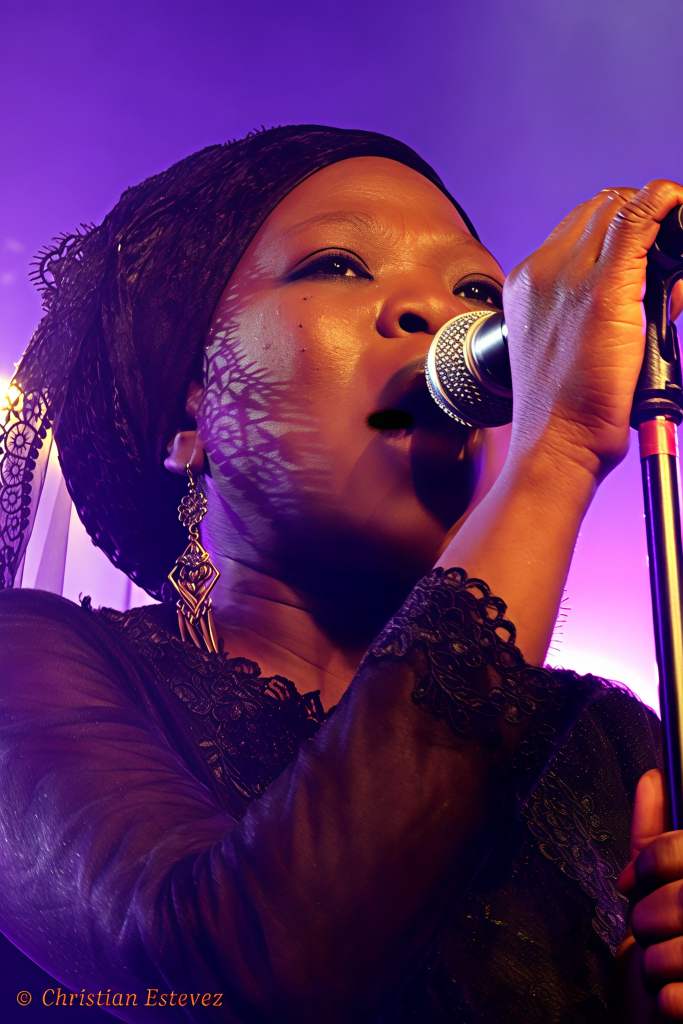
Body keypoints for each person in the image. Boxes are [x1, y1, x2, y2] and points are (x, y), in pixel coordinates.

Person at [0, 123, 682, 1023]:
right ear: (188, 417)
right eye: (337, 265)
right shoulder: (33, 663)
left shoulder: (604, 741)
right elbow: (224, 973)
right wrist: (553, 453)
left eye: (478, 291)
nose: (439, 314)